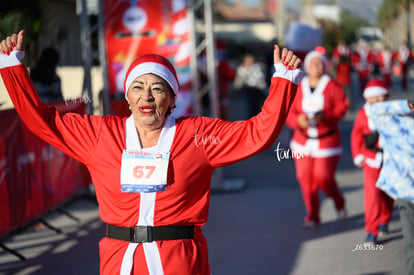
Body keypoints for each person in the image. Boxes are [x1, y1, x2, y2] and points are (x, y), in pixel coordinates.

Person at [0, 31, 302, 275]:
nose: (146, 96)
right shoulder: (100, 135)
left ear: (172, 98)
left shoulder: (197, 135)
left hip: (179, 261)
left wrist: (283, 81)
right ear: (128, 98)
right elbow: (42, 121)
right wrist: (12, 68)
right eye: (138, 87)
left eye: (157, 88)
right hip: (119, 261)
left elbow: (256, 134)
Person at [286, 48, 349, 229]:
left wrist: (326, 116)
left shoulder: (332, 86)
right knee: (305, 178)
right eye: (313, 62)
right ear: (306, 66)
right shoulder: (299, 85)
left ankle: (339, 201)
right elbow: (289, 111)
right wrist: (298, 120)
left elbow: (341, 108)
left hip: (327, 141)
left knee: (323, 177)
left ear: (326, 66)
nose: (316, 66)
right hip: (302, 142)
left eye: (320, 62)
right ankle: (312, 215)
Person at [364, 99, 414, 274]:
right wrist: (404, 104)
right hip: (406, 190)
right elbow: (373, 110)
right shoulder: (392, 123)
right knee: (411, 240)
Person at [350, 78, 394, 244]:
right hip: (370, 160)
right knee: (372, 197)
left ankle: (385, 218)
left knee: (389, 194)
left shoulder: (392, 111)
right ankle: (371, 230)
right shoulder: (363, 114)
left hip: (390, 160)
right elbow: (356, 136)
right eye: (373, 97)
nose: (376, 100)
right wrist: (358, 155)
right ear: (367, 98)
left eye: (380, 96)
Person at [234, 53, 267, 118]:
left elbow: (260, 79)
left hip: (257, 90)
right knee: (249, 106)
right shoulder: (242, 69)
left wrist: (263, 89)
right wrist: (237, 87)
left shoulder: (257, 67)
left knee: (257, 107)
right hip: (247, 90)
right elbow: (239, 81)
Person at [332, 40, 352, 109]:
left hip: (340, 79)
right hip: (346, 79)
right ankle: (347, 104)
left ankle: (341, 104)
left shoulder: (340, 65)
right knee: (347, 93)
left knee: (341, 92)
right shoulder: (347, 65)